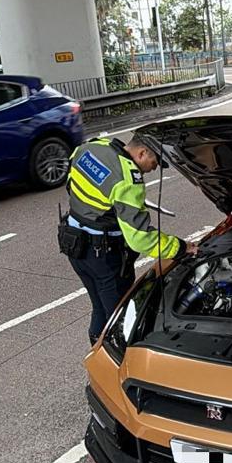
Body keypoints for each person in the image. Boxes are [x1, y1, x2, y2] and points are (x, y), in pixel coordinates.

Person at [58, 128, 193, 342]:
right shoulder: (128, 179)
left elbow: (72, 181)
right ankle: (111, 366)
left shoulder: (91, 147)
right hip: (103, 256)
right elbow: (139, 238)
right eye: (156, 161)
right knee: (120, 320)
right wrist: (180, 247)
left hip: (74, 245)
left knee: (100, 309)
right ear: (142, 153)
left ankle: (95, 347)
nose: (155, 167)